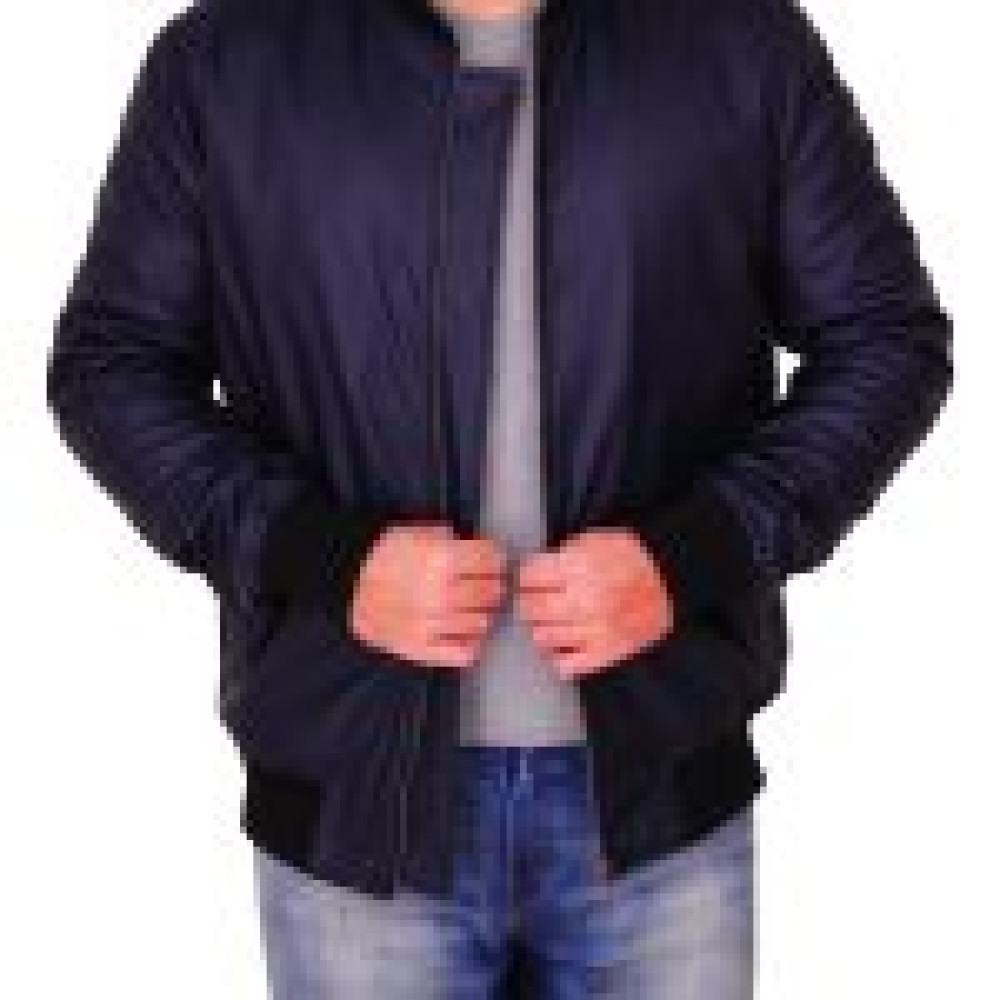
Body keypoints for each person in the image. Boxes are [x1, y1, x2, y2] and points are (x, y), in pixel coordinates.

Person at [45, 0, 953, 996]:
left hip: (660, 799)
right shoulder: (227, 62)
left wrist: (692, 554)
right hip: (358, 810)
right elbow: (111, 367)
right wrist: (327, 557)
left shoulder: (737, 45)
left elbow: (886, 339)